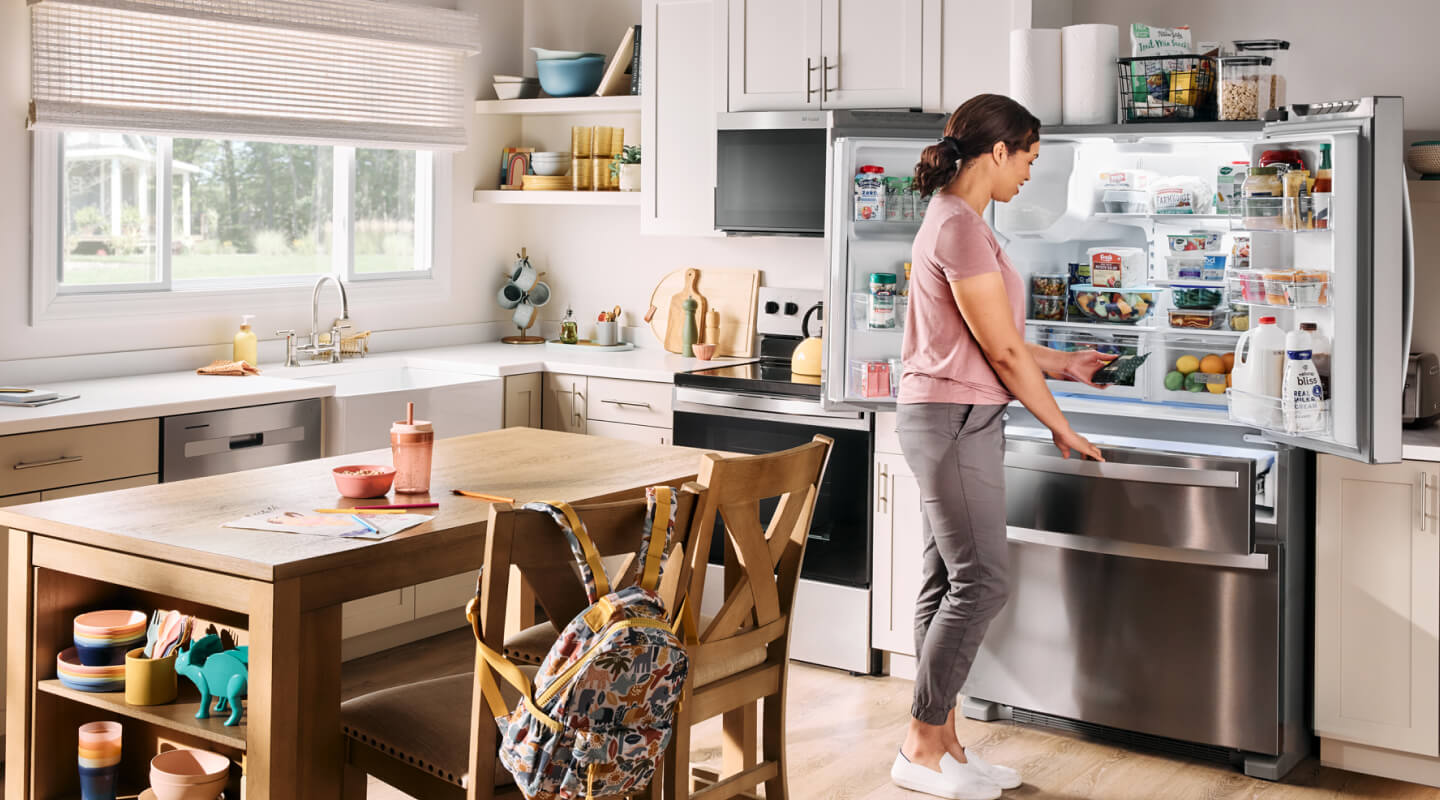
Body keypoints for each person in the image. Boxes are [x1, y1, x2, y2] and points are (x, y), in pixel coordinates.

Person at [889, 93, 1107, 800]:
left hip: (956, 416)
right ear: (997, 153)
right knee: (982, 581)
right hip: (951, 419)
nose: (1029, 176)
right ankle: (921, 746)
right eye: (1029, 160)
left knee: (947, 580)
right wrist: (1060, 424)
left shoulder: (965, 223)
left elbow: (999, 342)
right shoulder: (958, 227)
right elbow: (1003, 355)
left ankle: (945, 743)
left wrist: (1063, 364)